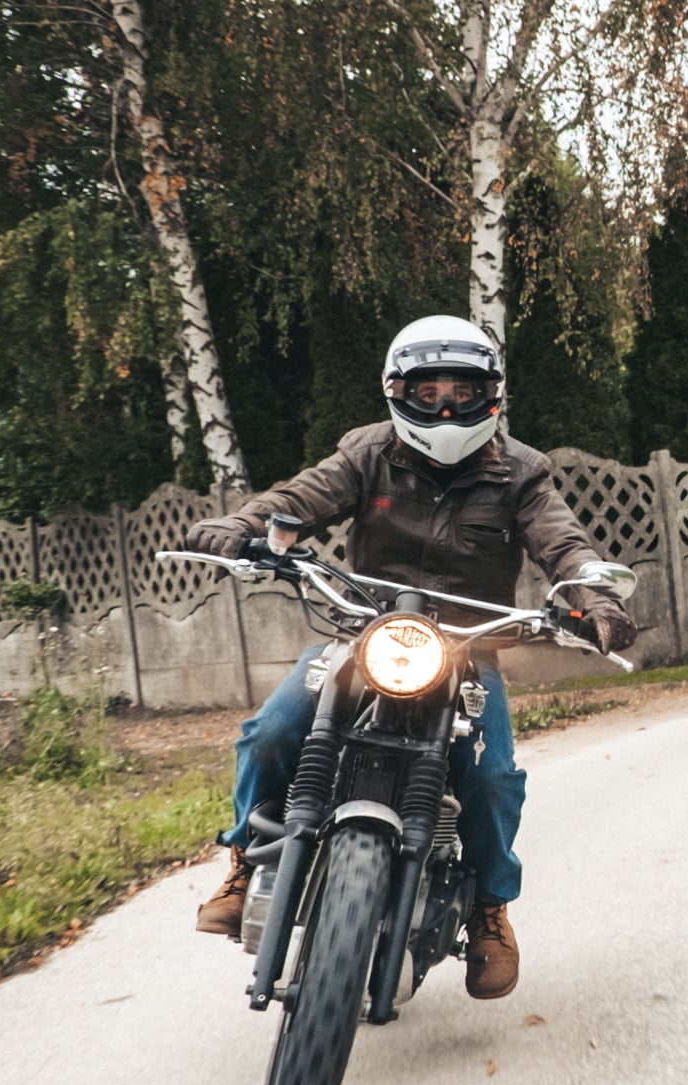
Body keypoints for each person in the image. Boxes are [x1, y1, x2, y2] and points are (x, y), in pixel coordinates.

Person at [183, 316, 636, 997]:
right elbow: (297, 500)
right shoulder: (367, 454)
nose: (448, 408)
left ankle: (490, 907)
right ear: (399, 391)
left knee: (490, 779)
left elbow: (563, 542)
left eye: (464, 391)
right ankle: (247, 860)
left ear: (492, 394)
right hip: (364, 636)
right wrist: (243, 526)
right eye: (430, 392)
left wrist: (594, 596)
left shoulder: (522, 473)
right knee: (274, 732)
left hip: (467, 650)